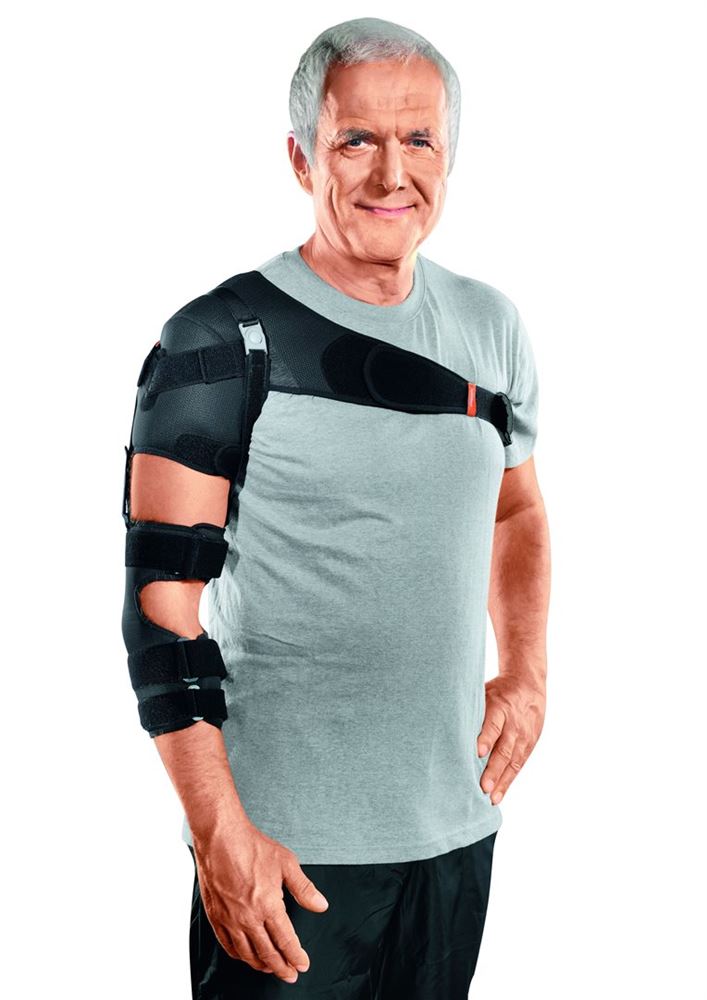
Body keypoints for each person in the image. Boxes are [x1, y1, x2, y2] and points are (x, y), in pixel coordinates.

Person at [122, 16, 550, 999]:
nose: (391, 173)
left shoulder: (491, 328)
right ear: (300, 157)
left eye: (418, 139)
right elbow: (160, 615)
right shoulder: (214, 344)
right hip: (283, 855)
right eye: (355, 139)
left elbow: (515, 511)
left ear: (448, 154)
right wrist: (218, 835)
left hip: (454, 834)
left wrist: (525, 673)